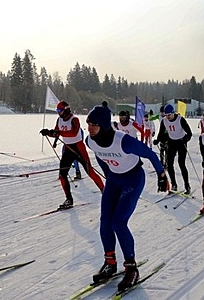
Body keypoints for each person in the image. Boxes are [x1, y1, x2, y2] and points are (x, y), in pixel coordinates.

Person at [85, 102, 169, 292]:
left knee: (118, 222)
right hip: (114, 180)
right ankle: (110, 262)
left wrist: (162, 175)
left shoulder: (123, 141)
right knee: (105, 221)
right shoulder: (90, 140)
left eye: (94, 124)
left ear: (104, 125)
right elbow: (99, 155)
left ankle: (131, 268)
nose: (90, 128)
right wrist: (109, 172)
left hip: (133, 178)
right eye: (88, 123)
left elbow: (150, 154)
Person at [40, 100, 104, 209]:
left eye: (60, 110)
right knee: (62, 175)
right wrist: (48, 133)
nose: (58, 112)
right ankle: (69, 199)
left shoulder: (74, 119)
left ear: (65, 110)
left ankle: (105, 192)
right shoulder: (59, 120)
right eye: (57, 110)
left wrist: (58, 133)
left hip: (78, 148)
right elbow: (56, 132)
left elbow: (73, 132)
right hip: (68, 149)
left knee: (90, 172)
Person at [153, 104, 193, 194]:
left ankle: (187, 185)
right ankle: (174, 184)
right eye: (166, 115)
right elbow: (161, 132)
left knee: (181, 164)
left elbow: (189, 132)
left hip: (181, 142)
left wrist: (186, 138)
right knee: (169, 164)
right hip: (172, 142)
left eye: (169, 115)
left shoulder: (180, 119)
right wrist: (157, 140)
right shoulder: (164, 121)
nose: (168, 117)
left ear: (173, 113)